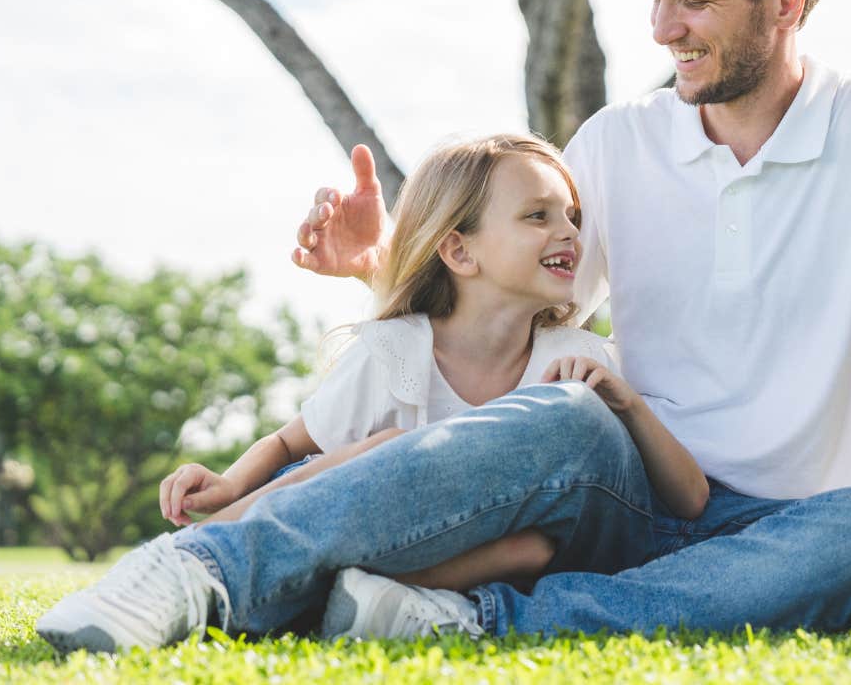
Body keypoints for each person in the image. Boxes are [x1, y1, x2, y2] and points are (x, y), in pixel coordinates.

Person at [31, 0, 851, 651]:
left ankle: (467, 619)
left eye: (692, 0)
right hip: (614, 489)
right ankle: (198, 571)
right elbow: (503, 290)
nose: (663, 28)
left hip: (777, 527)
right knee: (568, 416)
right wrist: (382, 265)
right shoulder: (616, 143)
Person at [37, 133, 709, 653]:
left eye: (573, 216)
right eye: (538, 215)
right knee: (382, 444)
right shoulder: (397, 349)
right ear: (460, 252)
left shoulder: (579, 362)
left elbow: (690, 501)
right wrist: (230, 486)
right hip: (374, 527)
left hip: (468, 560)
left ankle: (329, 596)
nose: (569, 232)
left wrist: (626, 404)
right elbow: (290, 444)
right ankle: (196, 555)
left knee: (532, 545)